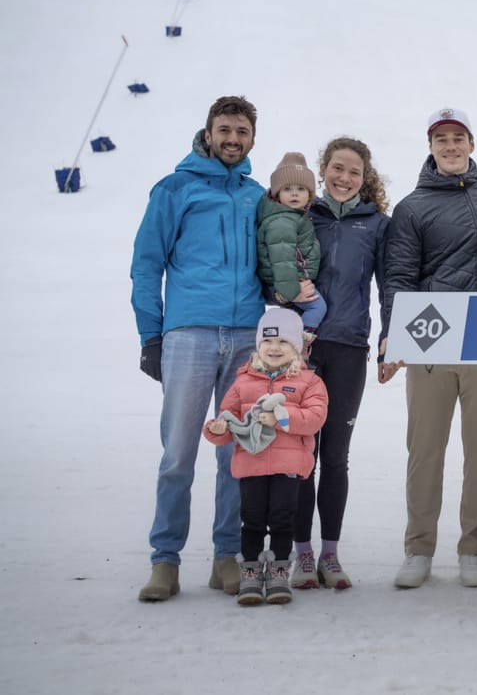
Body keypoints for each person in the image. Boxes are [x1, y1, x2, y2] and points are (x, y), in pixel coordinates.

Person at [131, 95, 264, 602]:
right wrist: (152, 335)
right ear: (208, 132)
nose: (233, 139)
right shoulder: (174, 189)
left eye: (242, 132)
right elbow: (147, 264)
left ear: (253, 138)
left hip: (247, 337)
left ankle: (226, 557)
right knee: (178, 454)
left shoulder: (256, 196)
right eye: (224, 130)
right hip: (189, 335)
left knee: (235, 453)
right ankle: (165, 561)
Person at [382, 108, 477, 589]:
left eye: (458, 138)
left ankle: (472, 550)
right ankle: (418, 548)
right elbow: (397, 277)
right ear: (431, 147)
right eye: (442, 140)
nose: (451, 146)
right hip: (430, 338)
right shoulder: (412, 208)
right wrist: (392, 337)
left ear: (472, 144)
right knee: (425, 449)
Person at [289, 137, 391, 591]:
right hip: (301, 351)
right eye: (337, 168)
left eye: (353, 171)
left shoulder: (377, 226)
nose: (344, 177)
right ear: (323, 169)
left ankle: (329, 553)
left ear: (364, 177)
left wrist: (392, 334)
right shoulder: (300, 217)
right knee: (298, 455)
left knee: (335, 456)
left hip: (349, 347)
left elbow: (391, 285)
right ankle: (301, 555)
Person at [203, 308, 329, 605]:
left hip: (289, 466)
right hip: (251, 464)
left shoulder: (309, 382)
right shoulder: (242, 381)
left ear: (297, 347)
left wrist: (282, 417)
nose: (274, 348)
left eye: (283, 342)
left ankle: (278, 571)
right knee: (252, 519)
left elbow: (315, 417)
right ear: (258, 345)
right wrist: (216, 428)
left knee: (283, 519)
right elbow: (228, 420)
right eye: (268, 342)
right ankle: (250, 572)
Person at [256, 152, 325, 343]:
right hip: (286, 283)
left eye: (301, 189)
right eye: (287, 189)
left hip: (288, 282)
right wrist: (291, 292)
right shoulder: (282, 221)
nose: (294, 193)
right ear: (277, 194)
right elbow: (282, 260)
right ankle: (300, 340)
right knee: (317, 307)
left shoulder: (293, 217)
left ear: (309, 195)